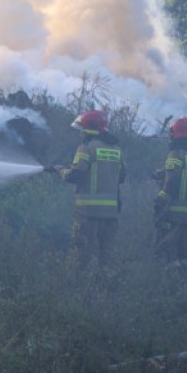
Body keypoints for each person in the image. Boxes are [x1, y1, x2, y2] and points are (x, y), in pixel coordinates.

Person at [53, 109, 126, 275]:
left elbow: (76, 175)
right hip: (111, 214)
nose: (81, 135)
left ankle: (82, 293)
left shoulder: (86, 148)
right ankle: (107, 292)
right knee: (107, 258)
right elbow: (121, 176)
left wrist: (61, 171)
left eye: (82, 131)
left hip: (87, 213)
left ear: (89, 131)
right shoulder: (116, 150)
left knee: (83, 255)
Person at [153, 117, 187, 270]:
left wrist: (159, 201)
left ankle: (171, 287)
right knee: (186, 255)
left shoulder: (174, 154)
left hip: (173, 215)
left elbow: (172, 181)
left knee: (167, 251)